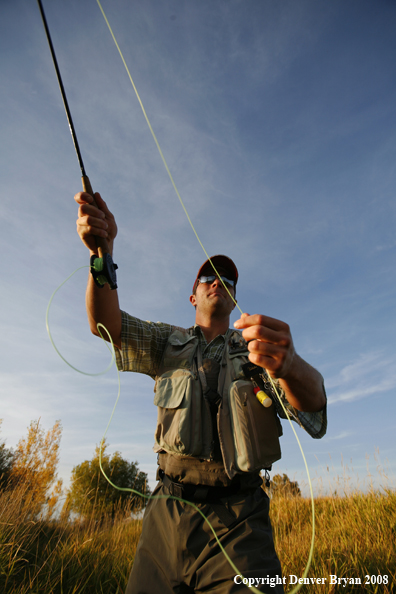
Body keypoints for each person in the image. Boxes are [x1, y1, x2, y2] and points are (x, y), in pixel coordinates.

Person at [75, 190, 327, 594]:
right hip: (165, 513)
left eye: (227, 281)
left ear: (233, 299)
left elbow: (314, 412)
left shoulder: (257, 351)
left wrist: (292, 365)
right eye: (209, 277)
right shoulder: (163, 341)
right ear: (193, 295)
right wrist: (102, 254)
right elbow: (105, 325)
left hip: (240, 521)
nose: (219, 283)